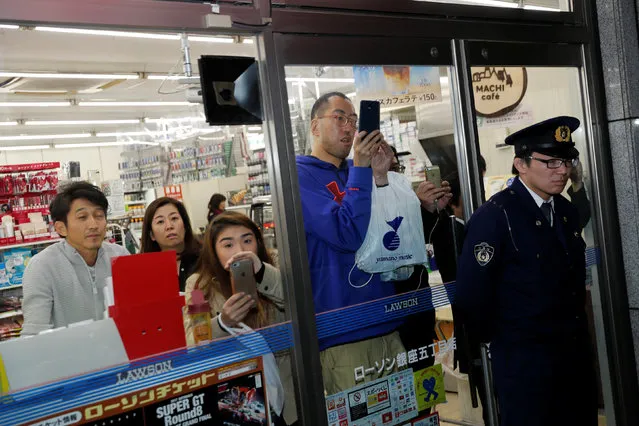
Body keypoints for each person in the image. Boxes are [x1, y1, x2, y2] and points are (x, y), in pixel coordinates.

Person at [456, 116, 597, 426]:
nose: (562, 171)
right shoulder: (495, 216)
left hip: (572, 359)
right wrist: (506, 344)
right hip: (526, 366)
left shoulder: (564, 211)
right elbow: (472, 294)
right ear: (521, 163)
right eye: (551, 162)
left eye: (566, 161)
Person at [296, 91, 407, 394]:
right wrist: (361, 168)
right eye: (339, 118)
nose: (349, 127)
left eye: (354, 120)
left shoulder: (356, 172)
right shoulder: (298, 175)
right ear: (315, 126)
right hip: (343, 336)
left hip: (387, 322)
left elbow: (389, 237)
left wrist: (381, 177)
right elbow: (347, 235)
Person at [183, 211, 295, 426]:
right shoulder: (199, 284)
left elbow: (298, 301)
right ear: (214, 251)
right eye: (228, 245)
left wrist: (261, 272)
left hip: (286, 390)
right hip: (237, 399)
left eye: (247, 240)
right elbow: (191, 341)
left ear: (258, 242)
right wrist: (223, 323)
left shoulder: (277, 264)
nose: (240, 251)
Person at [22, 182, 130, 335]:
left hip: (119, 353)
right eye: (82, 217)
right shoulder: (42, 266)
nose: (93, 224)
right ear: (61, 228)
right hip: (67, 355)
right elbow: (34, 332)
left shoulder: (120, 256)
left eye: (99, 216)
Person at [140, 197, 201, 292]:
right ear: (152, 235)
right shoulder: (146, 270)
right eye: (160, 221)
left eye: (174, 218)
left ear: (185, 226)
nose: (169, 226)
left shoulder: (204, 258)